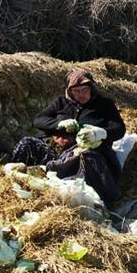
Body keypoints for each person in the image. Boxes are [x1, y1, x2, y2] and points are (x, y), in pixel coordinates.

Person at [11, 68, 126, 206]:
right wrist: (59, 125)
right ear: (69, 91)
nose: (80, 95)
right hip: (56, 151)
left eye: (84, 90)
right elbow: (39, 120)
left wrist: (100, 133)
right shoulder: (61, 102)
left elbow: (119, 129)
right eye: (75, 91)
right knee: (27, 143)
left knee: (90, 158)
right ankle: (16, 184)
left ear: (91, 88)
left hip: (83, 153)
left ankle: (97, 202)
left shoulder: (104, 105)